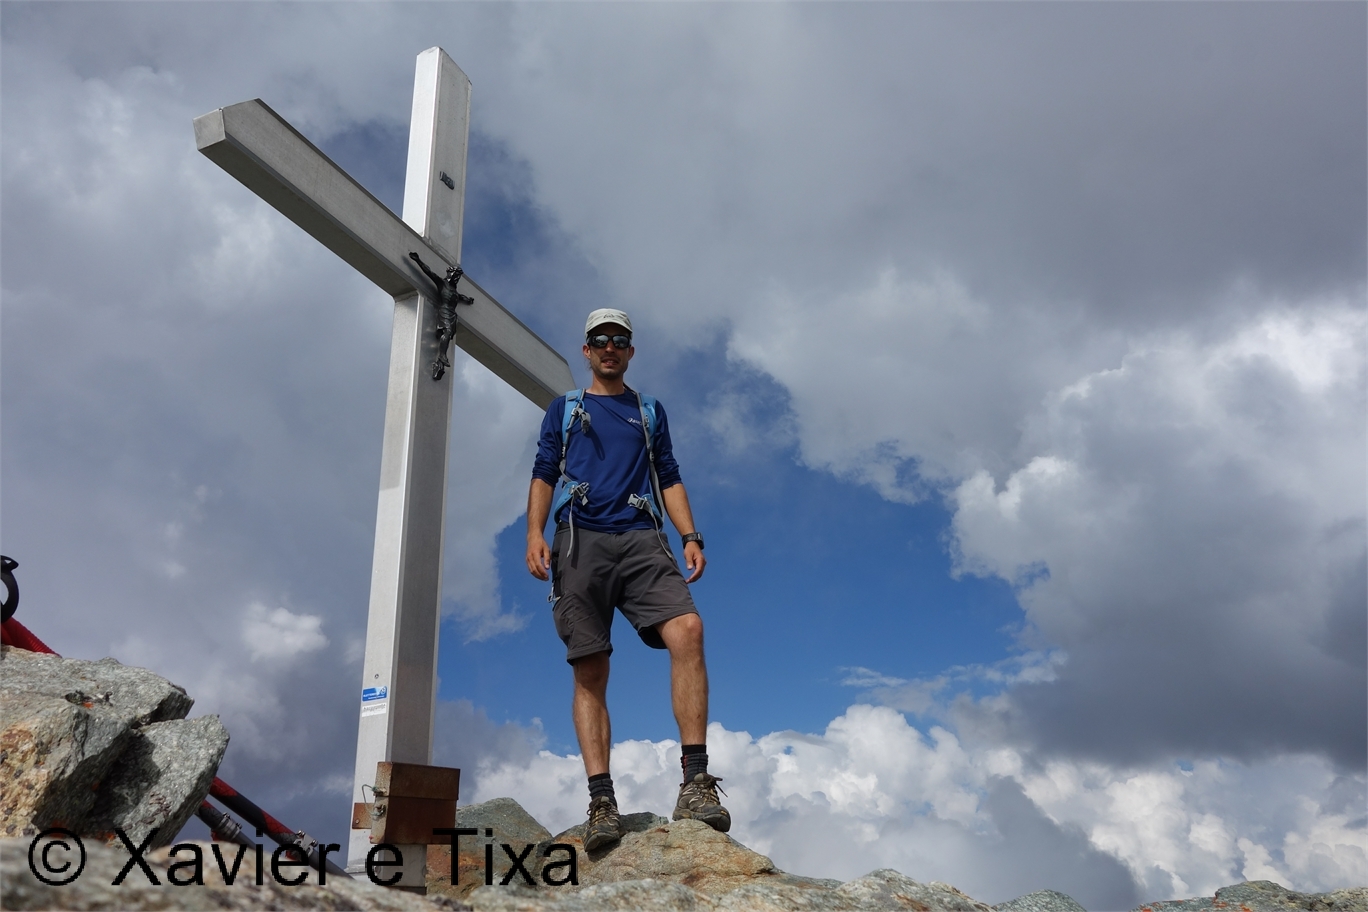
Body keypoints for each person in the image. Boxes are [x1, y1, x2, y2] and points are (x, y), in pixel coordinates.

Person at [525, 308, 729, 852]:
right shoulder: (564, 409)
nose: (609, 347)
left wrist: (690, 536)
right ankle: (601, 801)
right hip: (578, 539)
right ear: (587, 350)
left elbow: (669, 474)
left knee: (688, 630)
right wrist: (534, 533)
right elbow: (544, 471)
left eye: (619, 340)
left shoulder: (649, 410)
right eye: (600, 340)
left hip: (642, 536)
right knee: (590, 666)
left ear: (631, 351)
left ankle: (695, 783)